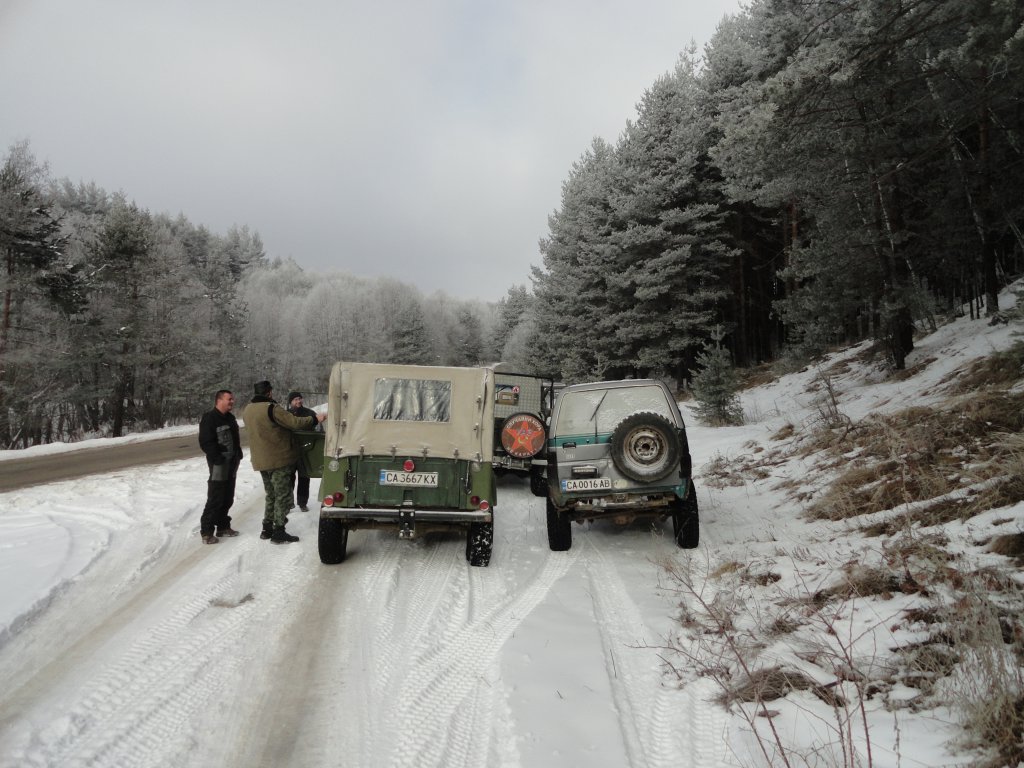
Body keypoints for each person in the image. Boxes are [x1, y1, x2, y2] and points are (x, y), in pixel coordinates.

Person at [243, 380, 326, 544]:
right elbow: (294, 422)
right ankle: (279, 531)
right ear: (269, 392)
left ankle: (266, 529)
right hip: (278, 459)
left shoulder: (247, 410)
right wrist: (315, 419)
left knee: (271, 495)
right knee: (282, 495)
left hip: (260, 460)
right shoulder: (271, 408)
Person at [197, 389, 243, 545]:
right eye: (229, 399)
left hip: (232, 464)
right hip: (219, 465)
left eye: (232, 399)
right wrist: (217, 458)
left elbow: (234, 440)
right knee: (215, 498)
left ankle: (223, 526)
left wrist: (238, 454)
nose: (232, 401)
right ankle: (207, 532)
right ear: (219, 400)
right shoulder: (209, 419)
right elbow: (205, 442)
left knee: (228, 497)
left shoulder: (230, 418)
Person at [286, 391, 319, 511]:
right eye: (295, 399)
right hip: (289, 451)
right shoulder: (286, 415)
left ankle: (302, 503)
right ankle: (288, 503)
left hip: (306, 451)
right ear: (290, 402)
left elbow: (319, 429)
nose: (298, 401)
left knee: (304, 478)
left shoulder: (309, 413)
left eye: (300, 398)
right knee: (289, 478)